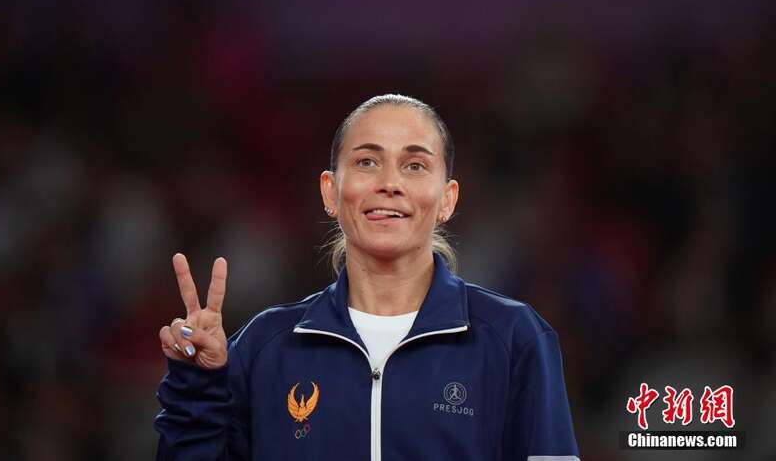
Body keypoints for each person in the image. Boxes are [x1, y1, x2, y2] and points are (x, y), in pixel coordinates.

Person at [154, 93, 580, 461]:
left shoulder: (513, 338)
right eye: (367, 161)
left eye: (415, 165)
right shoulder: (265, 347)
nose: (389, 183)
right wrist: (197, 386)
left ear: (447, 199)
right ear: (330, 192)